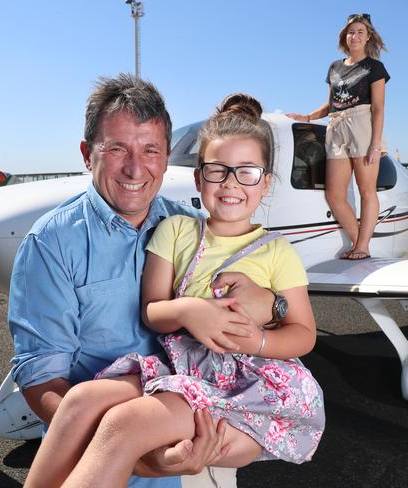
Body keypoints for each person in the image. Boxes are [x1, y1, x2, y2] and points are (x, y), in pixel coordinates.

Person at [24, 93, 325, 488]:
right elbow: (152, 310)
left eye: (150, 150)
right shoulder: (176, 230)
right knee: (81, 400)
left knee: (122, 423)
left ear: (266, 182)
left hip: (244, 381)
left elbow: (303, 332)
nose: (231, 183)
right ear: (199, 178)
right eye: (117, 148)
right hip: (177, 370)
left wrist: (267, 318)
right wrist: (188, 310)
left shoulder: (270, 247)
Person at [287, 13, 389, 260]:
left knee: (366, 190)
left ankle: (363, 246)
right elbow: (331, 104)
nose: (354, 36)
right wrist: (308, 117)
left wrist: (376, 142)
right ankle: (359, 242)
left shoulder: (374, 67)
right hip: (337, 126)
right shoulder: (335, 67)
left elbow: (377, 107)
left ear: (368, 37)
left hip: (362, 125)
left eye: (360, 32)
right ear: (345, 36)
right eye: (351, 32)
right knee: (334, 193)